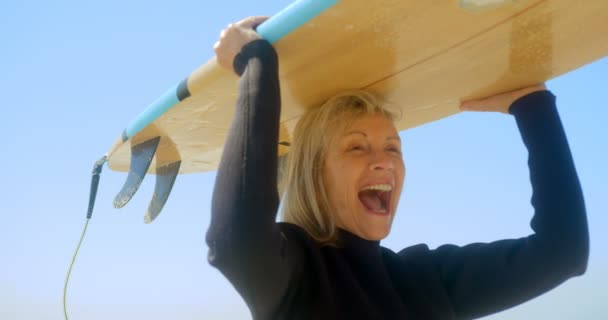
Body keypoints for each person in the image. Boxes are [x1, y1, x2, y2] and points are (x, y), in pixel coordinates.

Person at [206, 16, 589, 320]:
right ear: (313, 172)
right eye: (357, 146)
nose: (384, 161)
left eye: (393, 147)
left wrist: (533, 106)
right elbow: (233, 240)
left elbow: (563, 253)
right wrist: (255, 62)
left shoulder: (425, 280)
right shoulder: (297, 275)